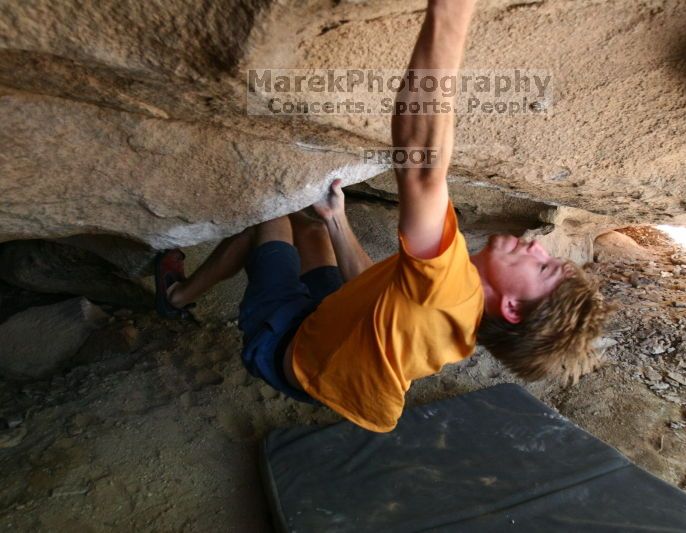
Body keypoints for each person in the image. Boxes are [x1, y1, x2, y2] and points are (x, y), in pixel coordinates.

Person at [155, 0, 613, 432]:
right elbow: (378, 295)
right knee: (312, 226)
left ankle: (177, 296)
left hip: (285, 352)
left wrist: (452, 12)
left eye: (544, 266)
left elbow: (420, 163)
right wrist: (338, 219)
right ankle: (315, 231)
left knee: (271, 218)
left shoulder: (450, 288)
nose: (537, 246)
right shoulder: (458, 322)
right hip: (335, 343)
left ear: (511, 308)